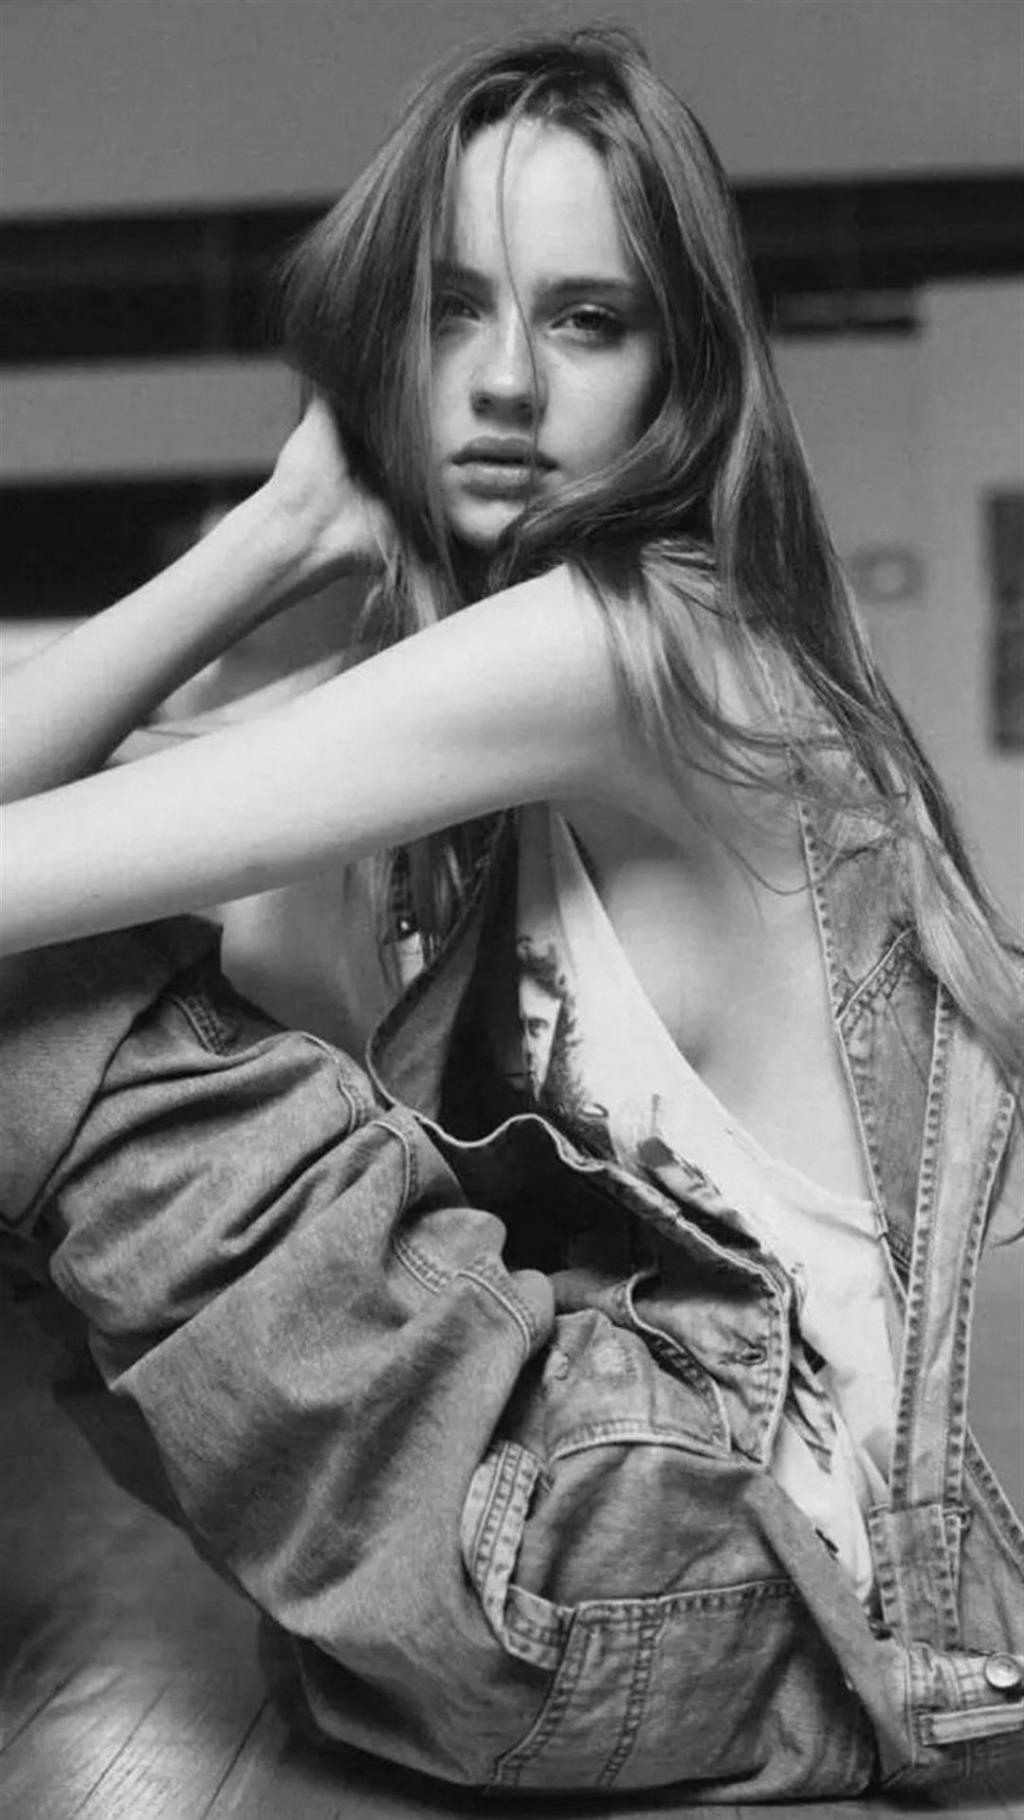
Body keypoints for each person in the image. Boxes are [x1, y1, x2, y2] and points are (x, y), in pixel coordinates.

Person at [1, 26, 1021, 1802]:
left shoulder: (621, 645)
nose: (503, 385)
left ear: (680, 370)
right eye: (449, 310)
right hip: (672, 1616)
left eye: (586, 320)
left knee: (33, 992)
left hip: (685, 1600)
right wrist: (281, 531)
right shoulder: (509, 690)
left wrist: (268, 539)